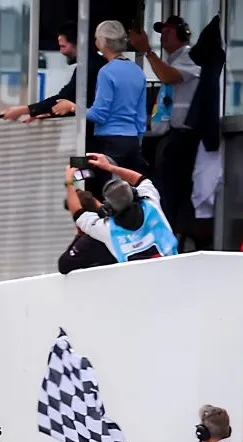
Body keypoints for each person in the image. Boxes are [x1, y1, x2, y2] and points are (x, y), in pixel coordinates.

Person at [130, 15, 203, 240]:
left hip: (182, 137)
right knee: (161, 189)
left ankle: (171, 235)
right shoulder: (171, 59)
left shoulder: (189, 56)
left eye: (169, 32)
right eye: (162, 32)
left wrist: (147, 51)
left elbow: (168, 77)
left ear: (183, 34)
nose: (164, 36)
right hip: (165, 136)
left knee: (170, 192)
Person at [56, 21, 150, 175]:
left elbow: (99, 114)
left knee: (80, 174)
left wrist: (71, 106)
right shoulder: (137, 71)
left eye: (96, 38)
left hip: (109, 143)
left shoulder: (106, 72)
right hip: (132, 142)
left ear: (103, 42)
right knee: (126, 186)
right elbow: (141, 117)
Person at [66, 153, 178, 262]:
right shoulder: (151, 203)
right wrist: (110, 167)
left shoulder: (107, 230)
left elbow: (78, 214)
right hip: (173, 271)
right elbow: (141, 180)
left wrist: (69, 181)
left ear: (108, 208)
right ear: (134, 194)